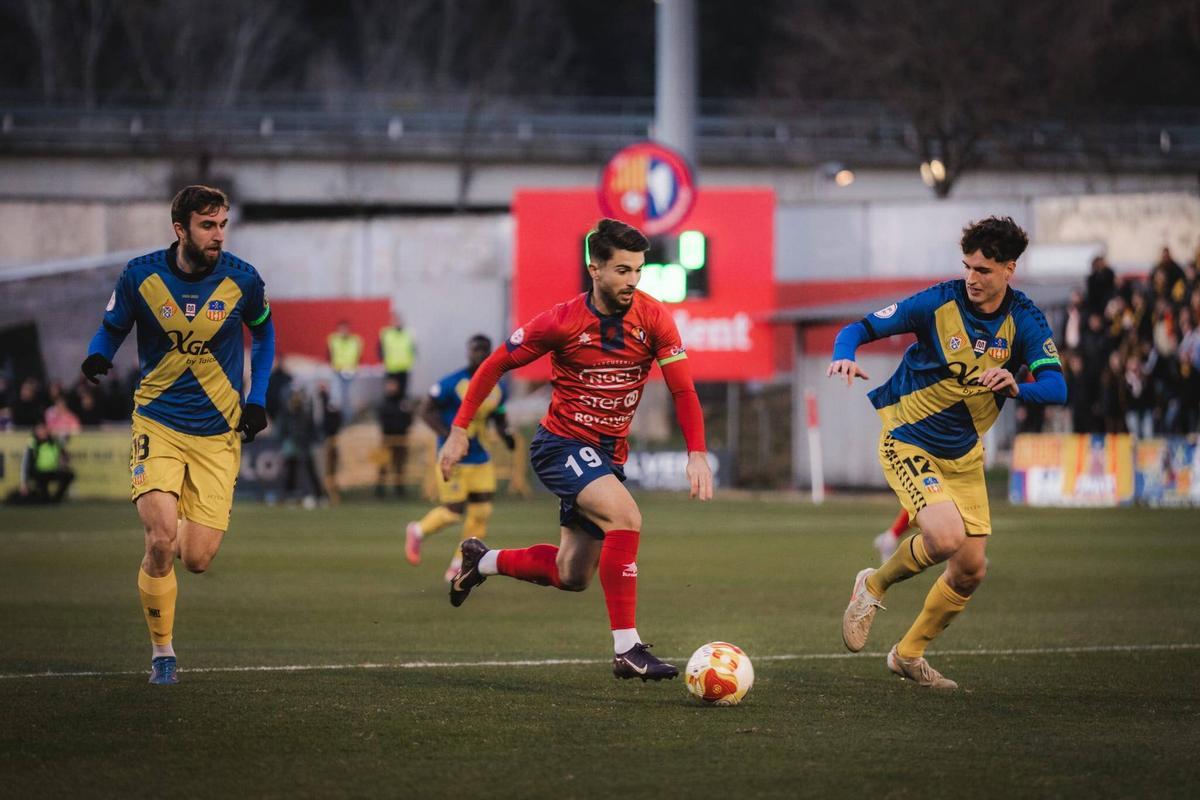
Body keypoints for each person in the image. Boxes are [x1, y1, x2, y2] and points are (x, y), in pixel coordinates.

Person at [438, 218, 713, 682]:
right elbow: (494, 365)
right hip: (560, 444)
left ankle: (481, 560)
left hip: (608, 455)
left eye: (638, 270)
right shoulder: (561, 321)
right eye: (622, 270)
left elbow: (683, 390)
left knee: (572, 574)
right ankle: (627, 649)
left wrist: (697, 451)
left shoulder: (654, 318)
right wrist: (459, 428)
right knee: (626, 517)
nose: (632, 280)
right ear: (595, 269)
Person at [829, 216, 1067, 690]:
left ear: (1009, 269)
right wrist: (845, 353)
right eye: (967, 267)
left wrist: (1018, 386)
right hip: (907, 438)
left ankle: (908, 654)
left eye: (983, 270)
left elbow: (1057, 387)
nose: (972, 278)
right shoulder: (938, 302)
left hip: (964, 456)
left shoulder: (1025, 320)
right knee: (943, 537)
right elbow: (860, 327)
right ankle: (872, 585)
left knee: (970, 570)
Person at [80, 185, 274, 685]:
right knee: (161, 539)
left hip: (218, 433)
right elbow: (112, 326)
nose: (218, 235)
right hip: (158, 422)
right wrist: (99, 353)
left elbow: (265, 334)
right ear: (180, 229)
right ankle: (162, 651)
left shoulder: (244, 279)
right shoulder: (140, 275)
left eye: (223, 224)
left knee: (197, 560)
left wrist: (257, 399)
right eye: (208, 226)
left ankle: (182, 508)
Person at [405, 335, 514, 582]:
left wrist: (505, 433)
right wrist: (448, 436)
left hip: (481, 458)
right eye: (476, 349)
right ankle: (418, 530)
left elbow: (499, 413)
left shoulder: (498, 386)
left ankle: (459, 564)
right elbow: (425, 409)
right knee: (453, 512)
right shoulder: (453, 383)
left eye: (484, 349)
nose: (480, 354)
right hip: (453, 458)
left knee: (481, 513)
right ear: (468, 352)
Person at [19, 422, 74, 503]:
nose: (42, 432)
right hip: (38, 473)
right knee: (44, 500)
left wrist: (64, 460)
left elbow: (65, 456)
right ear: (35, 432)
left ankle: (57, 498)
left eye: (44, 429)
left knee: (69, 475)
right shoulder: (33, 444)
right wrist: (24, 483)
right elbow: (25, 464)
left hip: (52, 471)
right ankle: (45, 497)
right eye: (39, 430)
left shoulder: (54, 442)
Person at [377, 376, 414, 498]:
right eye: (389, 385)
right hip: (386, 439)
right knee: (382, 464)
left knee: (399, 464)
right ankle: (380, 489)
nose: (391, 388)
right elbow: (382, 419)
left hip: (401, 438)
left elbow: (409, 418)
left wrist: (401, 428)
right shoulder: (383, 402)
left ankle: (399, 490)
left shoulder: (403, 402)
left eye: (393, 385)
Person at [327, 320, 363, 412]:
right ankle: (336, 416)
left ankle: (347, 417)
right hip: (337, 370)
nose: (344, 331)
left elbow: (359, 356)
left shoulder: (355, 340)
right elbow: (329, 355)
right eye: (341, 329)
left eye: (345, 329)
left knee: (348, 397)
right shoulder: (333, 340)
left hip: (351, 371)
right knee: (336, 397)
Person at [379, 312, 416, 400]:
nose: (397, 323)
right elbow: (380, 349)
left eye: (398, 321)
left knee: (402, 394)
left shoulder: (407, 334)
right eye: (394, 321)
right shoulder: (386, 334)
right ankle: (391, 408)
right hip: (392, 368)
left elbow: (413, 349)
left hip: (404, 367)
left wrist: (411, 360)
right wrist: (383, 360)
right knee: (391, 394)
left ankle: (401, 408)